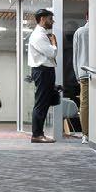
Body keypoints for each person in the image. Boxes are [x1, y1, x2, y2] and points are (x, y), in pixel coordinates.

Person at [26, 9, 57, 143]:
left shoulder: (42, 34)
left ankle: (39, 134)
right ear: (43, 19)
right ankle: (37, 135)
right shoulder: (38, 35)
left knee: (43, 103)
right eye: (50, 19)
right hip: (42, 71)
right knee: (41, 103)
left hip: (45, 71)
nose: (52, 21)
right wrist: (54, 43)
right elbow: (52, 53)